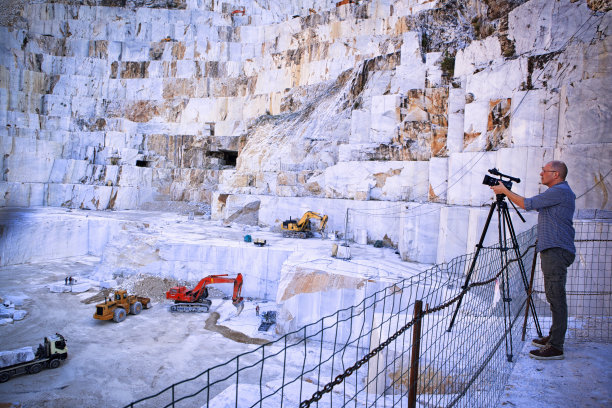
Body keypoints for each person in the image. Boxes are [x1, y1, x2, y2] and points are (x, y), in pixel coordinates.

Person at [491, 160, 575, 360]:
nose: (541, 174)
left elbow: (527, 204)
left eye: (544, 171)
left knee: (556, 296)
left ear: (556, 174)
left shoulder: (559, 191)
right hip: (555, 249)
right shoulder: (560, 192)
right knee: (554, 295)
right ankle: (554, 337)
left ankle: (556, 346)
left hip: (556, 250)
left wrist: (504, 190)